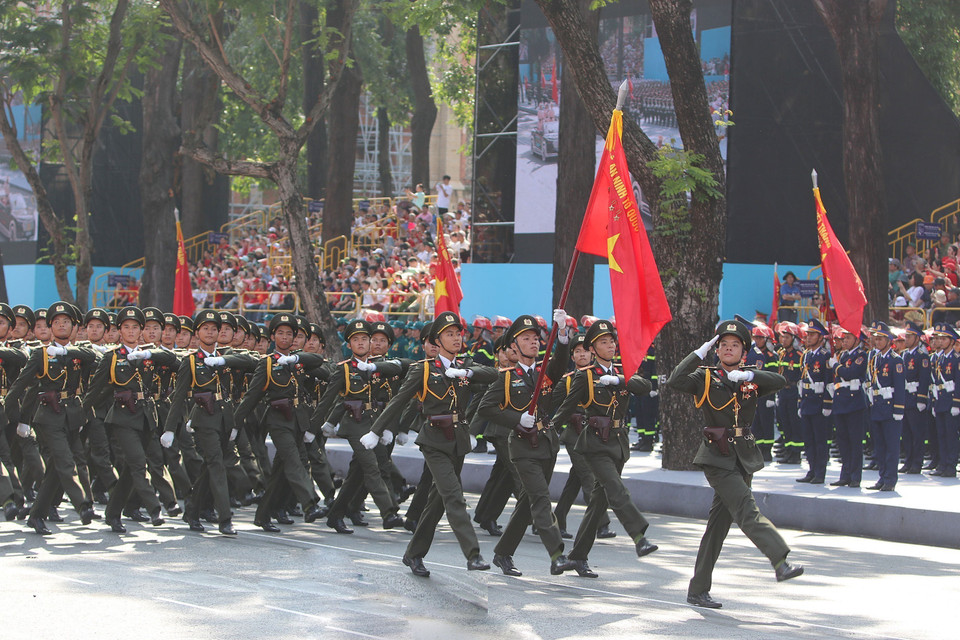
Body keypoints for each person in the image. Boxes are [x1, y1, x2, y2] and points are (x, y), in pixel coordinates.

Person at [664, 319, 802, 610]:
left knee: (717, 527)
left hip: (744, 457)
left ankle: (698, 589)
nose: (728, 349)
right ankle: (780, 560)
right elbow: (676, 379)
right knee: (747, 509)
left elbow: (779, 380)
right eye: (723, 345)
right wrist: (698, 353)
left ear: (744, 352)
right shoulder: (705, 377)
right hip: (718, 456)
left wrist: (749, 374)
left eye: (735, 345)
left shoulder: (750, 380)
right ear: (716, 350)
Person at [367, 311, 497, 577]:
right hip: (434, 440)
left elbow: (493, 374)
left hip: (457, 441)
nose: (456, 338)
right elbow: (398, 402)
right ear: (437, 340)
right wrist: (376, 430)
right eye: (449, 334)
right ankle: (472, 554)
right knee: (453, 495)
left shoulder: (465, 367)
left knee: (437, 502)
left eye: (458, 334)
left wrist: (468, 372)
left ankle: (413, 554)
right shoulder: (423, 369)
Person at [551, 320, 658, 578]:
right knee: (615, 489)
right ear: (593, 348)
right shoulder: (585, 376)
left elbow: (645, 387)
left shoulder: (623, 371)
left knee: (598, 503)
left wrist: (620, 380)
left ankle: (577, 556)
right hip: (595, 443)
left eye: (611, 341)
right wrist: (549, 428)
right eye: (603, 342)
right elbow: (564, 407)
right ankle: (639, 536)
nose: (609, 346)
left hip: (618, 442)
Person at [481, 312, 575, 577]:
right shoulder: (506, 377)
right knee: (541, 499)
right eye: (526, 338)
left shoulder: (546, 372)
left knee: (528, 501)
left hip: (546, 443)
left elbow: (560, 362)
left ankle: (502, 554)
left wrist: (563, 332)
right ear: (514, 346)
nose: (533, 342)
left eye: (536, 338)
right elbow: (486, 408)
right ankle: (557, 554)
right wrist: (515, 419)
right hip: (522, 446)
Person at [7, 303, 98, 535]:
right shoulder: (41, 354)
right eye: (56, 322)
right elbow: (20, 389)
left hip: (73, 416)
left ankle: (36, 515)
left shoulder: (80, 353)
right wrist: (21, 420)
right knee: (66, 461)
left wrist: (67, 352)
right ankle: (83, 505)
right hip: (48, 416)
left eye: (66, 321)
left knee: (57, 470)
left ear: (75, 327)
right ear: (50, 326)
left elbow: (94, 356)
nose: (60, 325)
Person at [865, 322, 906, 490]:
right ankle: (882, 477)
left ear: (889, 341)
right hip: (878, 406)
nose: (878, 342)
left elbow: (900, 386)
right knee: (880, 446)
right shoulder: (875, 359)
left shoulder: (895, 360)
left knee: (891, 446)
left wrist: (898, 409)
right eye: (876, 339)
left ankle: (890, 479)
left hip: (890, 408)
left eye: (881, 339)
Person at [829, 325, 869, 488]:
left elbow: (850, 373)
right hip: (841, 402)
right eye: (843, 338)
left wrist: (836, 367)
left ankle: (855, 476)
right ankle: (845, 474)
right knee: (843, 441)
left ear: (857, 340)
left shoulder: (861, 355)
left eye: (848, 338)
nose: (845, 341)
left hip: (854, 403)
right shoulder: (843, 356)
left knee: (854, 441)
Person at [796, 319, 832, 484]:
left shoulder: (825, 356)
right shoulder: (806, 356)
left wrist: (827, 404)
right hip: (807, 402)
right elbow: (801, 381)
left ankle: (820, 472)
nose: (808, 337)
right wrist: (799, 402)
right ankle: (811, 469)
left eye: (812, 335)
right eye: (808, 334)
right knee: (808, 440)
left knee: (820, 440)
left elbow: (828, 382)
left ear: (820, 337)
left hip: (818, 403)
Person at [898, 321, 930, 476]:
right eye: (906, 336)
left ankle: (917, 462)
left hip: (915, 396)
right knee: (907, 433)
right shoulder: (904, 355)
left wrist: (922, 399)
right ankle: (908, 460)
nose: (907, 339)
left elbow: (924, 379)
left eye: (910, 336)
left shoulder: (922, 356)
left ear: (917, 338)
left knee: (917, 433)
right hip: (904, 397)